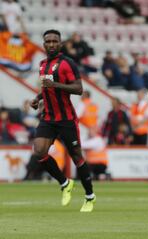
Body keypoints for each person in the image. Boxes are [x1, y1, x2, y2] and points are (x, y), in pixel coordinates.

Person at [30, 29, 96, 212]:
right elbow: (47, 89)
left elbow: (79, 88)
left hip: (66, 119)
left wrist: (56, 85)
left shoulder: (68, 63)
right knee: (39, 152)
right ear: (44, 44)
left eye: (54, 41)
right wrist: (38, 98)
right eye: (48, 41)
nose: (51, 44)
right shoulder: (42, 64)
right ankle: (65, 182)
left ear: (60, 44)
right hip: (48, 118)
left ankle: (89, 196)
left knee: (76, 157)